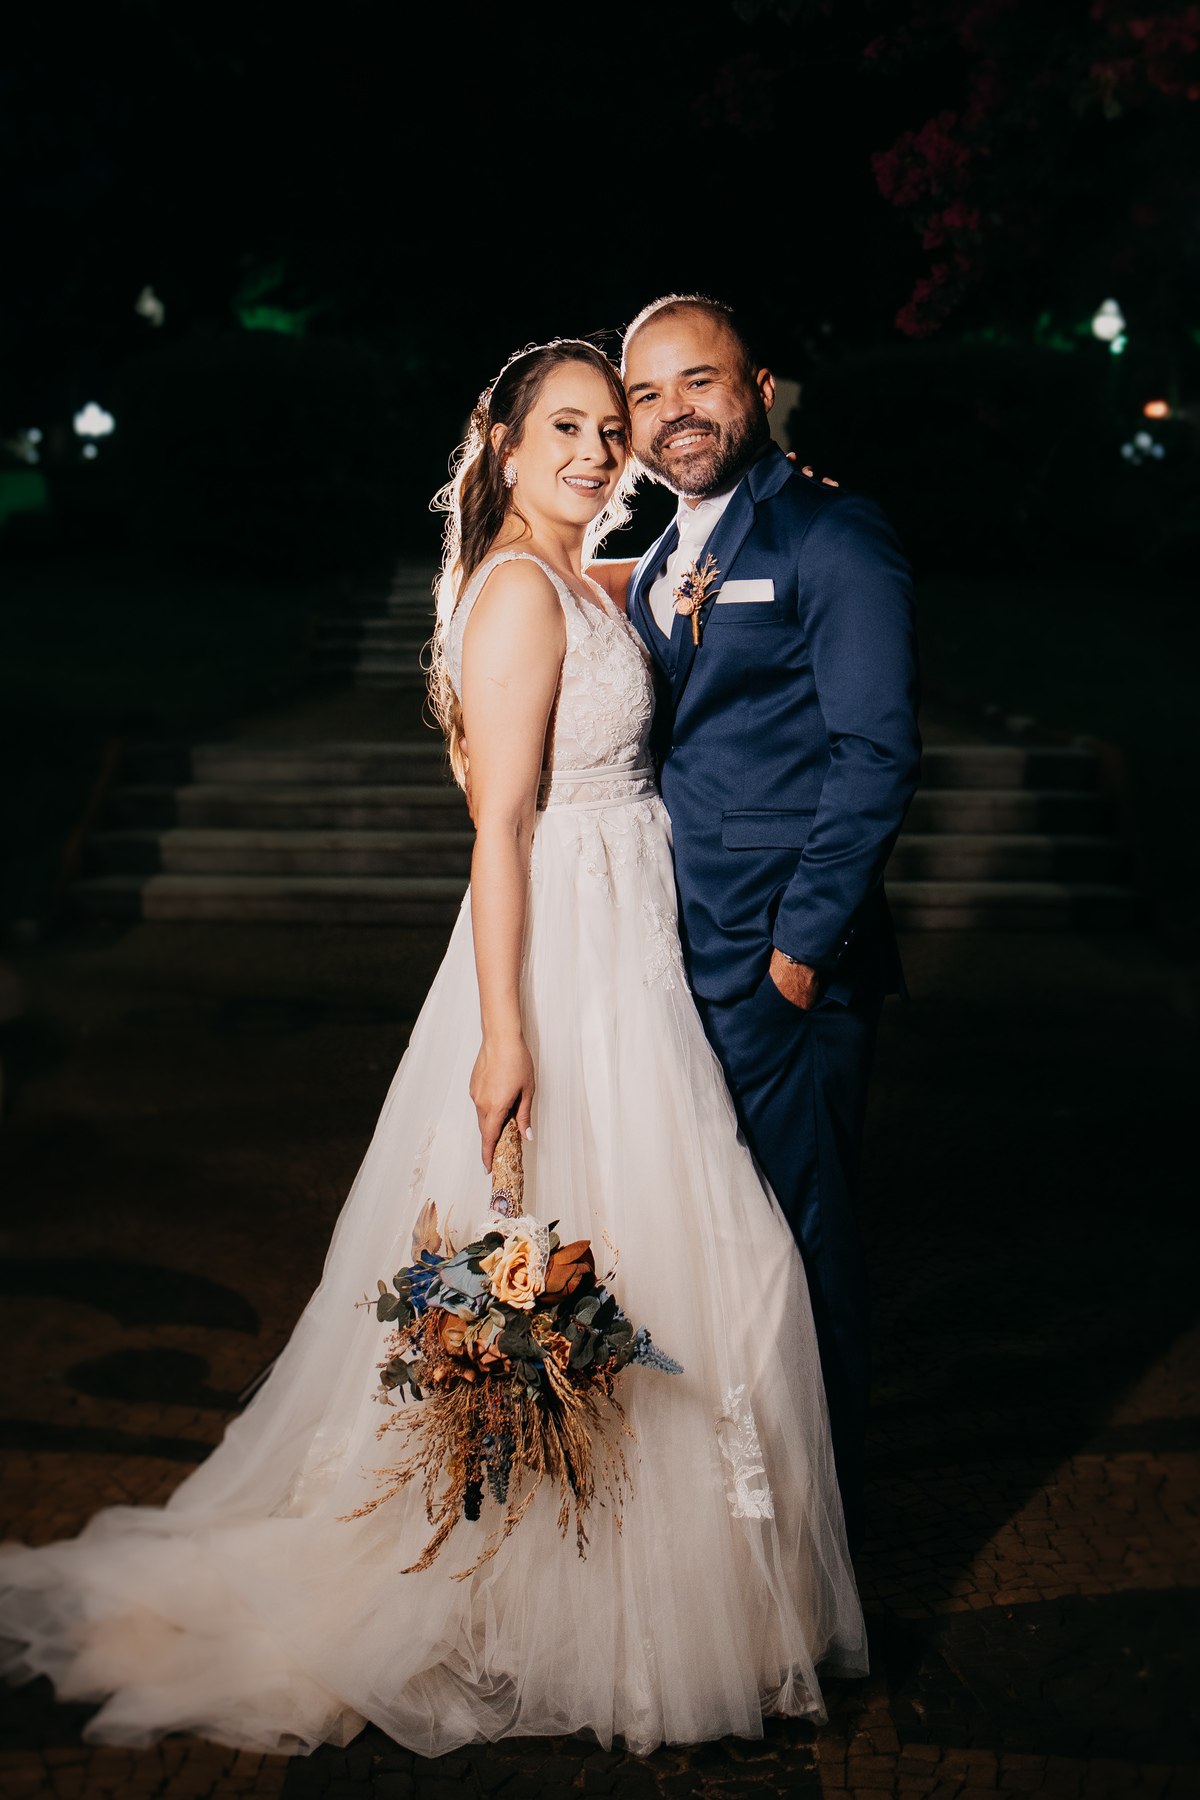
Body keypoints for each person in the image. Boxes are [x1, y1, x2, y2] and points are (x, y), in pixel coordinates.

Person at [0, 340, 866, 1759]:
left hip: (633, 940)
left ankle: (640, 1594)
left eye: (610, 429)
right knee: (609, 1261)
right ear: (505, 447)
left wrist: (769, 486)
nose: (596, 451)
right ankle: (548, 1595)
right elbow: (500, 827)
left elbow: (680, 582)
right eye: (566, 428)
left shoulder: (584, 574)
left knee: (698, 1265)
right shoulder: (520, 592)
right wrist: (505, 1033)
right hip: (566, 953)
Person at [595, 296, 921, 1555]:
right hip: (677, 956)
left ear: (760, 387)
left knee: (800, 1242)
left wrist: (801, 952)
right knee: (718, 1242)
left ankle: (822, 1544)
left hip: (781, 968)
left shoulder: (831, 533)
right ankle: (733, 1525)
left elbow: (875, 753)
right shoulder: (664, 548)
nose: (676, 411)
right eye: (649, 394)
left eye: (702, 381)